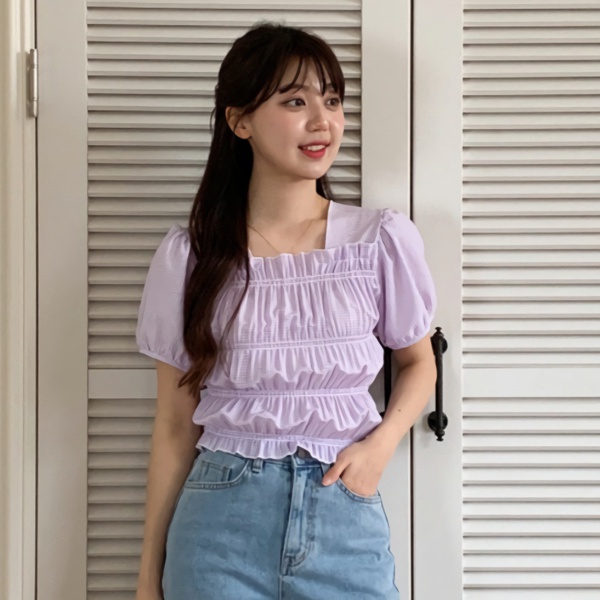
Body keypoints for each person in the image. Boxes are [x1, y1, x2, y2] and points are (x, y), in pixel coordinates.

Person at [134, 21, 437, 600]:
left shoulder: (378, 241)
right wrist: (149, 575)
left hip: (343, 516)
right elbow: (174, 425)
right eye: (295, 101)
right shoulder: (192, 256)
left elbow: (419, 362)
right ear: (239, 121)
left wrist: (379, 447)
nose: (323, 121)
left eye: (332, 100)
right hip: (219, 523)